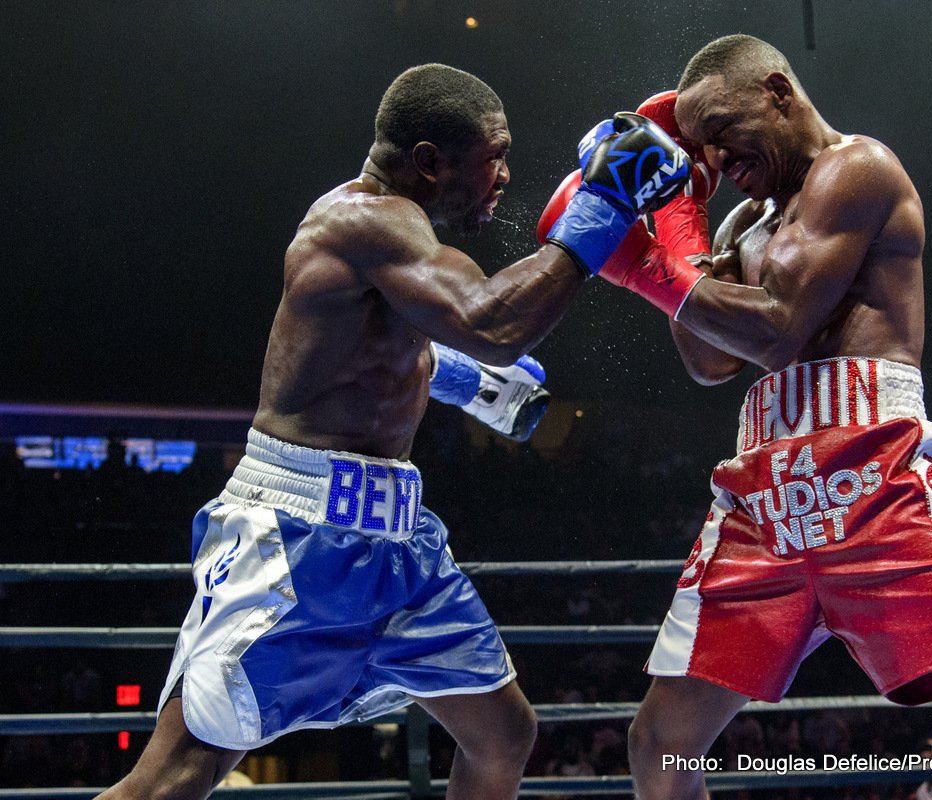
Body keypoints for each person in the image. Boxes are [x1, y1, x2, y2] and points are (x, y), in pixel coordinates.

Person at [540, 35, 932, 799]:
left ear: (776, 90)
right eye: (699, 145)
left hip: (872, 474)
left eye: (723, 130)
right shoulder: (741, 225)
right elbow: (707, 361)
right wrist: (680, 222)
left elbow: (775, 326)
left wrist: (634, 263)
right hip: (764, 496)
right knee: (661, 740)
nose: (714, 154)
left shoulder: (857, 170)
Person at [98, 63, 689, 800]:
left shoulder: (388, 238)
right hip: (296, 539)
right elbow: (492, 323)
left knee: (502, 735)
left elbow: (361, 346)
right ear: (429, 161)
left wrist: (466, 384)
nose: (505, 175)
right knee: (177, 774)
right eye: (493, 156)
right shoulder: (366, 222)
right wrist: (603, 206)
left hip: (398, 543)